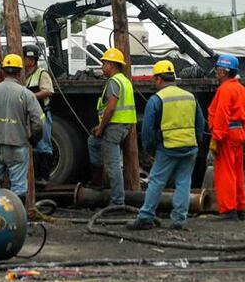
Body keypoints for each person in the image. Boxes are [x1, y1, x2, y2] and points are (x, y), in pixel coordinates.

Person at [126, 60, 205, 232]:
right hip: (189, 146)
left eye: (154, 79)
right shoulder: (189, 97)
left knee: (156, 182)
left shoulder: (156, 100)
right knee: (183, 182)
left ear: (159, 79)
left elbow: (147, 130)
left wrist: (150, 150)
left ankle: (145, 217)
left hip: (168, 147)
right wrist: (196, 141)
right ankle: (179, 220)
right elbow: (200, 123)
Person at [0, 54, 44, 198]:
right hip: (17, 146)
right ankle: (16, 211)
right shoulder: (26, 94)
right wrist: (34, 139)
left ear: (3, 71)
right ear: (20, 72)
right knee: (18, 188)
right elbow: (39, 122)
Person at [86, 47, 136, 207]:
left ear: (112, 65)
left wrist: (101, 128)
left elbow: (111, 108)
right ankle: (98, 180)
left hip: (114, 127)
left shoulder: (114, 82)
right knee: (93, 142)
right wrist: (99, 127)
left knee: (113, 164)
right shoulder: (125, 81)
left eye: (104, 63)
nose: (102, 67)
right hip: (122, 125)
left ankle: (117, 201)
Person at [208, 53, 245, 221]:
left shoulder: (225, 90)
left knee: (225, 173)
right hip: (237, 133)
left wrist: (216, 138)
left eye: (218, 69)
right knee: (238, 172)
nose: (216, 72)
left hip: (226, 135)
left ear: (224, 72)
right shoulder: (241, 89)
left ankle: (228, 210)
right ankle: (240, 208)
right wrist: (243, 134)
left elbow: (221, 114)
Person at [23, 44, 55, 186]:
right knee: (34, 145)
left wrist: (31, 96)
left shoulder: (42, 74)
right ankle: (35, 178)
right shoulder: (24, 75)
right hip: (29, 116)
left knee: (43, 145)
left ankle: (43, 178)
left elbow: (49, 91)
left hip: (41, 114)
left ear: (31, 60)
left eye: (25, 58)